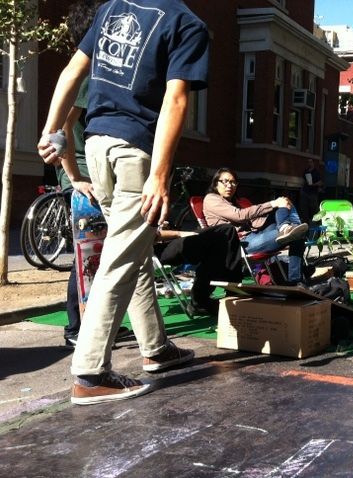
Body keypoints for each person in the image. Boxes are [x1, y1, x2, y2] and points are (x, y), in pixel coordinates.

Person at [37, 0, 210, 405]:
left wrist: (51, 132)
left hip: (97, 145)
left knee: (132, 248)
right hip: (136, 152)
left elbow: (71, 71)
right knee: (120, 259)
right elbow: (177, 101)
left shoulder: (112, 7)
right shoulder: (188, 24)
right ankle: (90, 371)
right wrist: (161, 175)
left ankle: (155, 347)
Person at [53, 0, 132, 349]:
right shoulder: (88, 74)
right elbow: (64, 128)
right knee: (88, 256)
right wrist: (73, 177)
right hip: (85, 176)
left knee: (98, 255)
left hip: (92, 174)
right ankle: (76, 328)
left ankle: (99, 324)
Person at [203, 168, 308, 284]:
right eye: (225, 181)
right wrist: (272, 204)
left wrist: (277, 207)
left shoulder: (234, 202)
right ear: (216, 183)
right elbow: (239, 216)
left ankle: (285, 227)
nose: (230, 185)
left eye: (233, 182)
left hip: (253, 236)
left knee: (287, 205)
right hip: (240, 245)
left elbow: (253, 222)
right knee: (297, 233)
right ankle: (295, 279)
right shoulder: (211, 199)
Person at [299, 158, 323, 224]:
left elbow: (320, 182)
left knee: (314, 208)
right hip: (305, 191)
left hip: (313, 192)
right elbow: (303, 181)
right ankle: (305, 223)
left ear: (313, 163)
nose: (309, 163)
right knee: (304, 208)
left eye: (311, 162)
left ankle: (318, 222)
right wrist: (301, 189)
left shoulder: (316, 172)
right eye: (308, 162)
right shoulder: (306, 171)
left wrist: (314, 184)